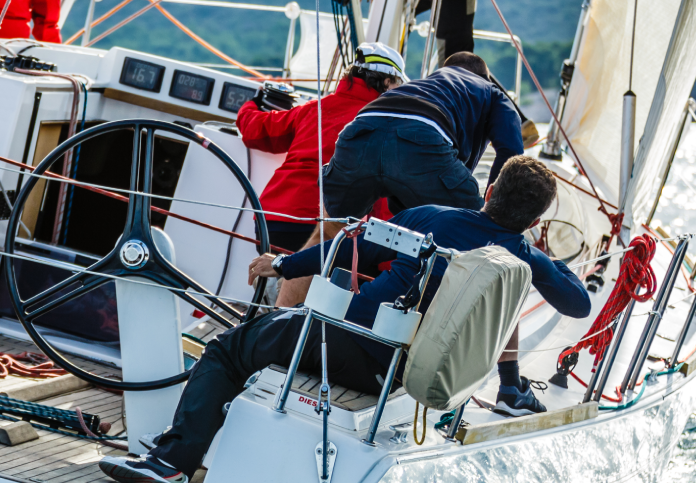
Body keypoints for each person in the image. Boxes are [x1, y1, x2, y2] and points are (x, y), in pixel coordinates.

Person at [100, 156, 590, 483]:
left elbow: (348, 246)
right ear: (532, 221)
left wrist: (283, 265)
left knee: (227, 349)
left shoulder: (432, 219)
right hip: (398, 376)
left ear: (488, 192)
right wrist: (535, 256)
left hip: (346, 341)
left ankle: (172, 462)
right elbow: (578, 304)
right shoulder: (522, 260)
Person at [238, 44, 404, 307]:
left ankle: (268, 299)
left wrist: (250, 105)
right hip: (322, 229)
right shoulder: (383, 126)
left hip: (272, 222)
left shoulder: (313, 109)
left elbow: (257, 131)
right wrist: (389, 264)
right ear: (385, 82)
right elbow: (380, 202)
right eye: (398, 85)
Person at [322, 52, 523, 221]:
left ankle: (296, 265)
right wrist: (494, 211)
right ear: (485, 77)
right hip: (421, 141)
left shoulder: (420, 84)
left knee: (336, 223)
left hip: (359, 132)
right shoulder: (492, 92)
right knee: (471, 225)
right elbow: (511, 154)